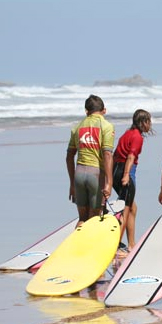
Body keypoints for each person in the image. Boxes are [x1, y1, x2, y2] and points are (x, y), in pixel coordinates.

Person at [66, 95, 115, 226]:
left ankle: (77, 244)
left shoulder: (76, 127)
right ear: (104, 110)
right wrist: (109, 183)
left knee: (82, 218)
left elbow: (69, 156)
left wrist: (72, 183)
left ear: (86, 111)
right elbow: (107, 155)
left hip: (79, 174)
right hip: (96, 175)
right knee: (94, 219)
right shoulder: (107, 126)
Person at [113, 109, 152, 249]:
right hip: (126, 171)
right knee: (126, 209)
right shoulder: (137, 137)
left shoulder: (126, 134)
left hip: (116, 169)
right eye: (149, 121)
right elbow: (131, 156)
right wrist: (126, 175)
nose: (150, 125)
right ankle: (116, 244)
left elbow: (115, 154)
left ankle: (131, 244)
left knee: (132, 208)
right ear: (143, 122)